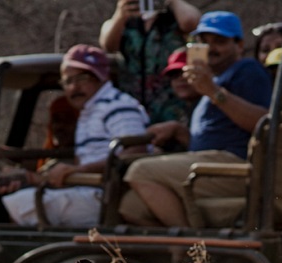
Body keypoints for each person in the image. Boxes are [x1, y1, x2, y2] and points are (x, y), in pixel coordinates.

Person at [119, 11, 272, 227]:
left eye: (220, 41)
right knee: (131, 205)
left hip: (234, 166)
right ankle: (178, 253)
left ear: (238, 45)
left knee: (140, 171)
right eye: (203, 41)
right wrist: (179, 131)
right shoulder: (212, 79)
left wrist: (213, 91)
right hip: (206, 164)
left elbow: (263, 123)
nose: (210, 48)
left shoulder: (247, 70)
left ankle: (192, 249)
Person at [0, 44, 149, 227]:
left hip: (106, 196)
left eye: (82, 78)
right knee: (18, 196)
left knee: (17, 204)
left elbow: (134, 154)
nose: (73, 87)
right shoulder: (89, 111)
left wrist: (77, 171)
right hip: (88, 189)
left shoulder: (116, 106)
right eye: (68, 81)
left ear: (102, 77)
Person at [99, 0, 201, 124]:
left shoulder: (173, 17)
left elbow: (192, 23)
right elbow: (108, 45)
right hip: (134, 103)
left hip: (172, 102)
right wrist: (121, 13)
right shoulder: (126, 21)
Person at [145, 47, 200, 153]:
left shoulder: (214, 105)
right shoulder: (165, 107)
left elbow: (210, 150)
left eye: (187, 73)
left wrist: (180, 132)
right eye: (174, 75)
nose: (181, 79)